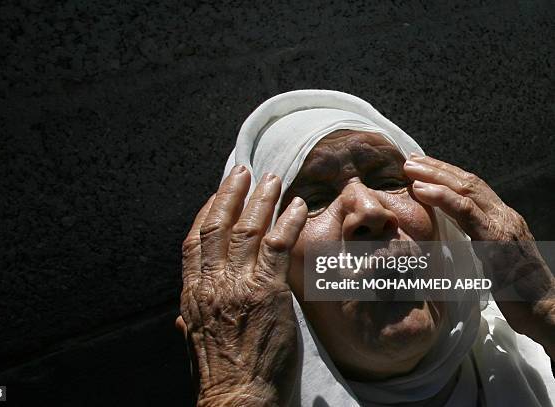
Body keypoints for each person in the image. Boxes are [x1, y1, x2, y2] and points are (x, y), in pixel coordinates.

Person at [176, 90, 555, 406]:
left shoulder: (535, 356)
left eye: (389, 180)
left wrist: (546, 309)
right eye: (313, 200)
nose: (371, 211)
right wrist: (239, 392)